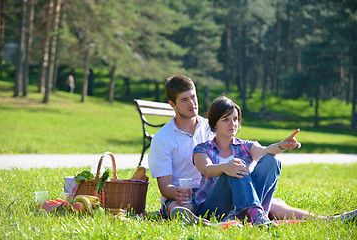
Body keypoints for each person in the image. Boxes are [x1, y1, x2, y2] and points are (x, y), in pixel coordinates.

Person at [148, 74, 357, 224]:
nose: (192, 103)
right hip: (195, 197)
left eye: (193, 97)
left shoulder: (210, 126)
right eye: (184, 100)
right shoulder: (164, 139)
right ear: (172, 104)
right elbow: (167, 186)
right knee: (182, 207)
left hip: (232, 188)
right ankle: (235, 216)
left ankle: (327, 220)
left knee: (273, 188)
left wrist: (281, 146)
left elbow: (261, 151)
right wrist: (182, 194)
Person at [192, 96, 300, 226]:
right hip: (213, 209)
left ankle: (256, 216)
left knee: (272, 160)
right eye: (226, 120)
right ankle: (256, 215)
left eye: (235, 119)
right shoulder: (202, 148)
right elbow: (207, 169)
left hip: (243, 209)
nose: (233, 124)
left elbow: (264, 152)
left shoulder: (246, 146)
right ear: (215, 123)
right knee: (235, 166)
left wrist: (282, 145)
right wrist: (226, 167)